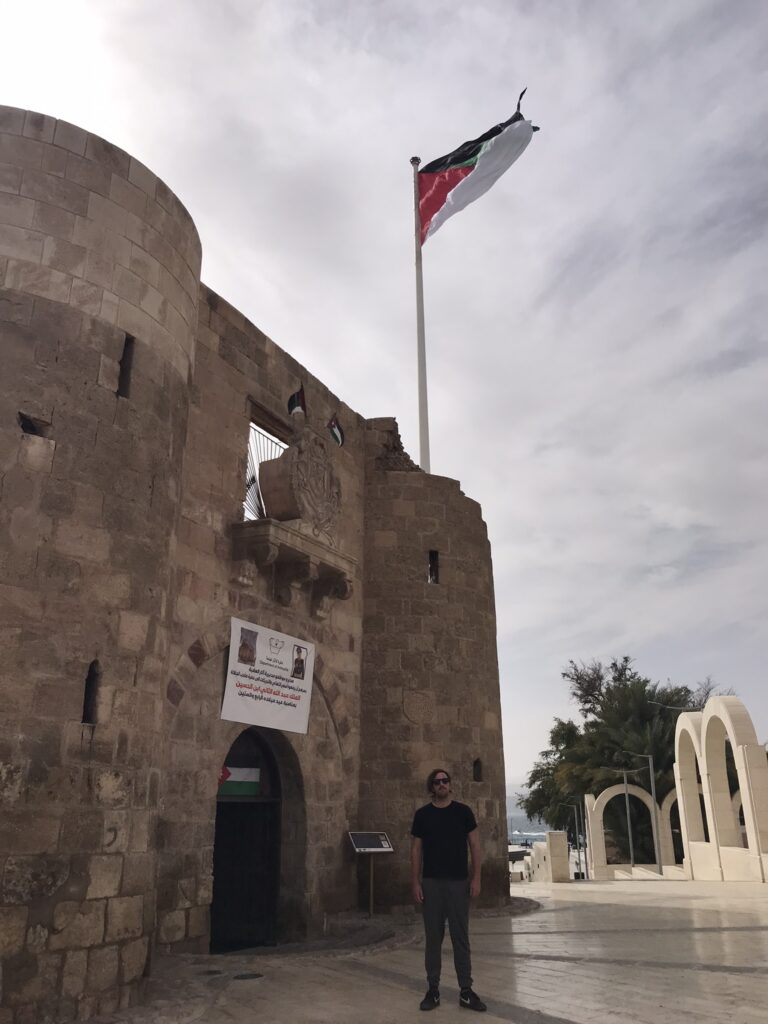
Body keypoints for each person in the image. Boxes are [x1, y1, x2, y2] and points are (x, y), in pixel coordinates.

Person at [411, 769, 486, 1012]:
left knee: (460, 937)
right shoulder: (422, 815)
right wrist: (415, 882)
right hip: (431, 883)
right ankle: (433, 990)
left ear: (450, 785)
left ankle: (466, 991)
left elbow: (475, 845)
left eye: (445, 781)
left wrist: (476, 878)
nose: (441, 785)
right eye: (437, 782)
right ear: (431, 787)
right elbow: (416, 850)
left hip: (458, 883)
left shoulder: (463, 812)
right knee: (433, 938)